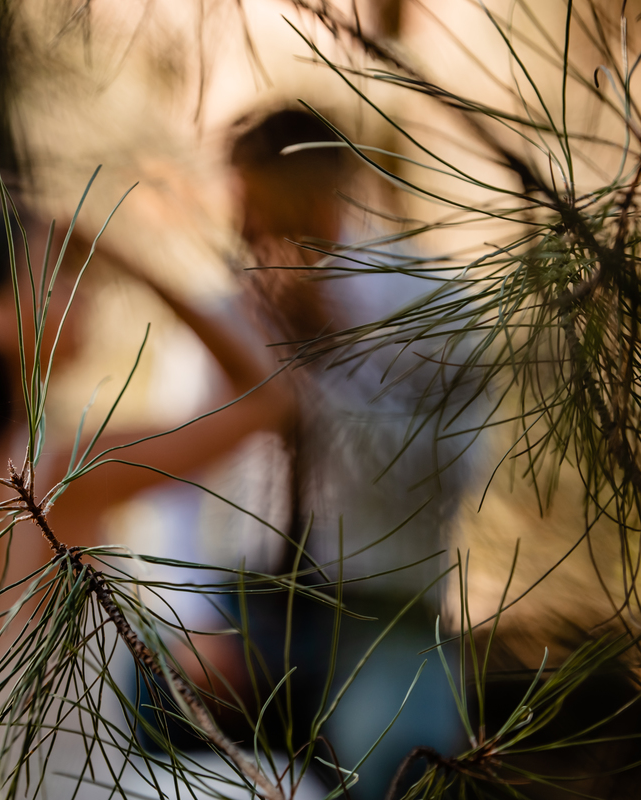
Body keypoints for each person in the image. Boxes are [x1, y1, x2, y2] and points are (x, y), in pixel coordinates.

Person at [0, 204, 297, 798]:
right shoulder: (56, 473)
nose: (85, 287)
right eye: (58, 272)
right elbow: (269, 400)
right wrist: (136, 263)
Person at [223, 105, 486, 798]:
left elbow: (450, 480)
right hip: (246, 601)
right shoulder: (230, 309)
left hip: (386, 609)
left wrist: (332, 363)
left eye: (258, 207)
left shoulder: (432, 302)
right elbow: (187, 478)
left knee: (390, 761)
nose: (244, 232)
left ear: (323, 192)